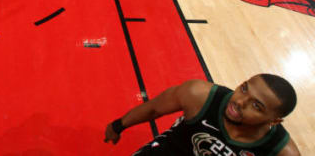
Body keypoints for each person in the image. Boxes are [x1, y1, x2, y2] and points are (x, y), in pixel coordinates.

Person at [104, 74, 301, 155]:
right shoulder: (199, 95)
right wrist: (118, 125)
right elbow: (154, 108)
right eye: (243, 89)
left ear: (274, 121)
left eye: (256, 106)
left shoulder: (281, 151)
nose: (239, 102)